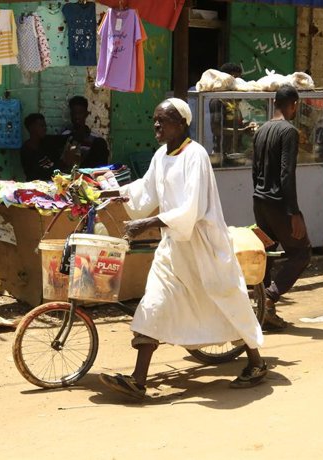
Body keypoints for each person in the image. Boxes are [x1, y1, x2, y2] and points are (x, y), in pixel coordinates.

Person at [99, 98, 267, 399]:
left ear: (181, 123)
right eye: (155, 119)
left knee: (226, 299)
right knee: (153, 302)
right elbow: (144, 189)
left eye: (163, 120)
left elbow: (192, 209)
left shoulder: (196, 155)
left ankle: (256, 362)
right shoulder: (161, 155)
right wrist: (111, 192)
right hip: (174, 245)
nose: (156, 125)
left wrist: (149, 222)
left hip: (203, 245)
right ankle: (138, 379)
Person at [252, 84, 311, 330]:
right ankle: (270, 297)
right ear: (294, 104)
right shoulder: (288, 132)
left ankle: (264, 311)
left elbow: (254, 171)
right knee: (301, 253)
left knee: (266, 255)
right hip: (279, 204)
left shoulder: (261, 130)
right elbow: (287, 173)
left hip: (260, 201)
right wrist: (294, 213)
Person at [209, 62, 257, 156]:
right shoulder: (217, 101)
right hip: (222, 153)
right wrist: (241, 131)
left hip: (236, 151)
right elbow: (216, 129)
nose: (238, 81)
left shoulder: (233, 100)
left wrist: (248, 125)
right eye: (236, 78)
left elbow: (238, 122)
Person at [61, 95, 110, 169]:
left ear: (86, 114)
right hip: (69, 175)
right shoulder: (65, 136)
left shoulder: (96, 139)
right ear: (71, 115)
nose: (77, 117)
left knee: (100, 143)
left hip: (90, 174)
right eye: (74, 113)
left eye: (80, 113)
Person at [20, 113, 69, 181]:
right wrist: (59, 166)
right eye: (41, 126)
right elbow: (34, 174)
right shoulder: (26, 150)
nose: (45, 128)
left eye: (45, 126)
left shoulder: (47, 142)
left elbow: (64, 139)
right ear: (31, 128)